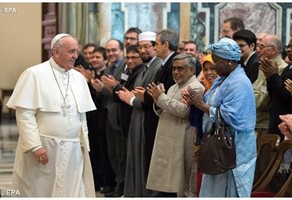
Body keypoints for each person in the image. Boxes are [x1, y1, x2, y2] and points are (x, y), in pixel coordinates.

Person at [6, 33, 96, 197]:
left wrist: (84, 143)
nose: (76, 56)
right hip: (45, 147)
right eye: (71, 51)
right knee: (40, 190)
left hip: (73, 149)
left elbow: (82, 116)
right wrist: (35, 146)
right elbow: (25, 114)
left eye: (76, 51)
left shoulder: (78, 78)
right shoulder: (34, 74)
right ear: (56, 52)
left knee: (72, 191)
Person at [185, 37, 256, 197]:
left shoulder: (239, 83)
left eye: (217, 61)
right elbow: (212, 103)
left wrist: (201, 105)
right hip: (218, 146)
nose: (214, 66)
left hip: (234, 149)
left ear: (229, 61)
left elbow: (232, 117)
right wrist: (196, 100)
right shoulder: (224, 80)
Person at [146, 54, 204, 197]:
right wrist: (156, 100)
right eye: (174, 69)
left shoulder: (196, 87)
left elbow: (184, 111)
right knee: (167, 183)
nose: (176, 72)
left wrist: (160, 97)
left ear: (191, 69)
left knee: (182, 184)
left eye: (180, 69)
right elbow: (164, 110)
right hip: (168, 137)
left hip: (182, 139)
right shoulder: (173, 87)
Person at [117, 31, 162, 197]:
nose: (143, 50)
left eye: (146, 47)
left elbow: (150, 100)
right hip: (137, 119)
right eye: (140, 47)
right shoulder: (146, 67)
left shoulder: (157, 67)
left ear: (155, 47)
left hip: (146, 121)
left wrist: (131, 99)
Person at [91, 38, 126, 197]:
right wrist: (98, 88)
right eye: (109, 50)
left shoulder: (125, 67)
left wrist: (105, 89)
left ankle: (120, 187)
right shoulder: (109, 68)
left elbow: (120, 91)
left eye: (114, 50)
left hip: (118, 114)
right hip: (106, 114)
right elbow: (104, 91)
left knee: (120, 154)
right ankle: (114, 185)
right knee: (111, 153)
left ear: (121, 51)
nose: (111, 53)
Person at [258, 35, 290, 139]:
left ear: (272, 50)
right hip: (275, 119)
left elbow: (286, 97)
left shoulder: (283, 67)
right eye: (288, 46)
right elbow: (274, 95)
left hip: (285, 121)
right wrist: (269, 78)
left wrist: (274, 76)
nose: (288, 49)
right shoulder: (288, 68)